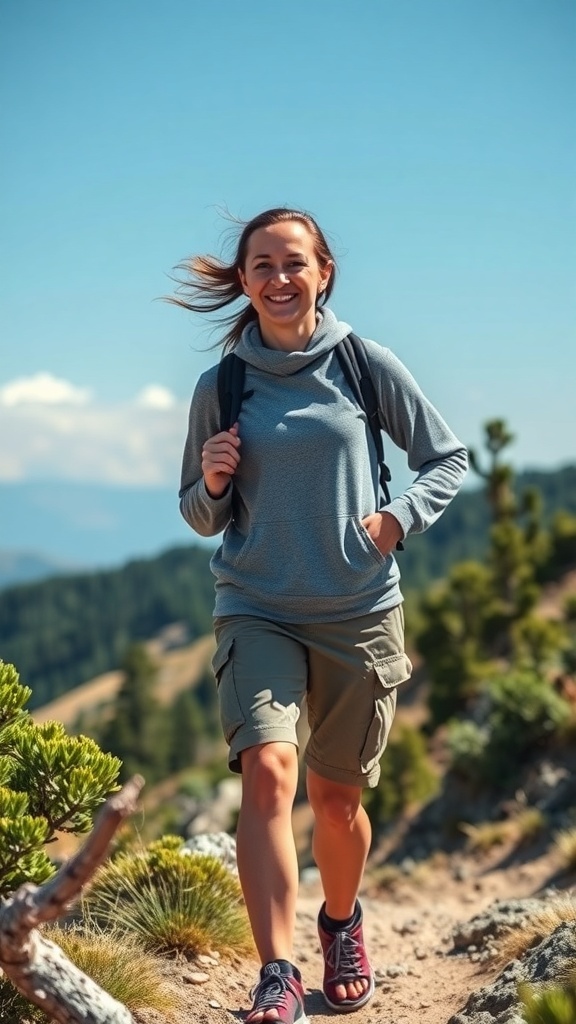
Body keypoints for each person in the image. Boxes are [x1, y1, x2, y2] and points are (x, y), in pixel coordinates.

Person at [175, 207, 468, 1024]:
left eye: (293, 262)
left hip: (359, 609)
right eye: (261, 265)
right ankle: (277, 972)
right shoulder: (223, 386)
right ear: (244, 280)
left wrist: (396, 518)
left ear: (324, 272)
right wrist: (217, 481)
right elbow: (198, 514)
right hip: (256, 604)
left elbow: (447, 458)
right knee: (269, 775)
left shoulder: (363, 363)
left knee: (337, 801)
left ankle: (341, 921)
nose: (278, 278)